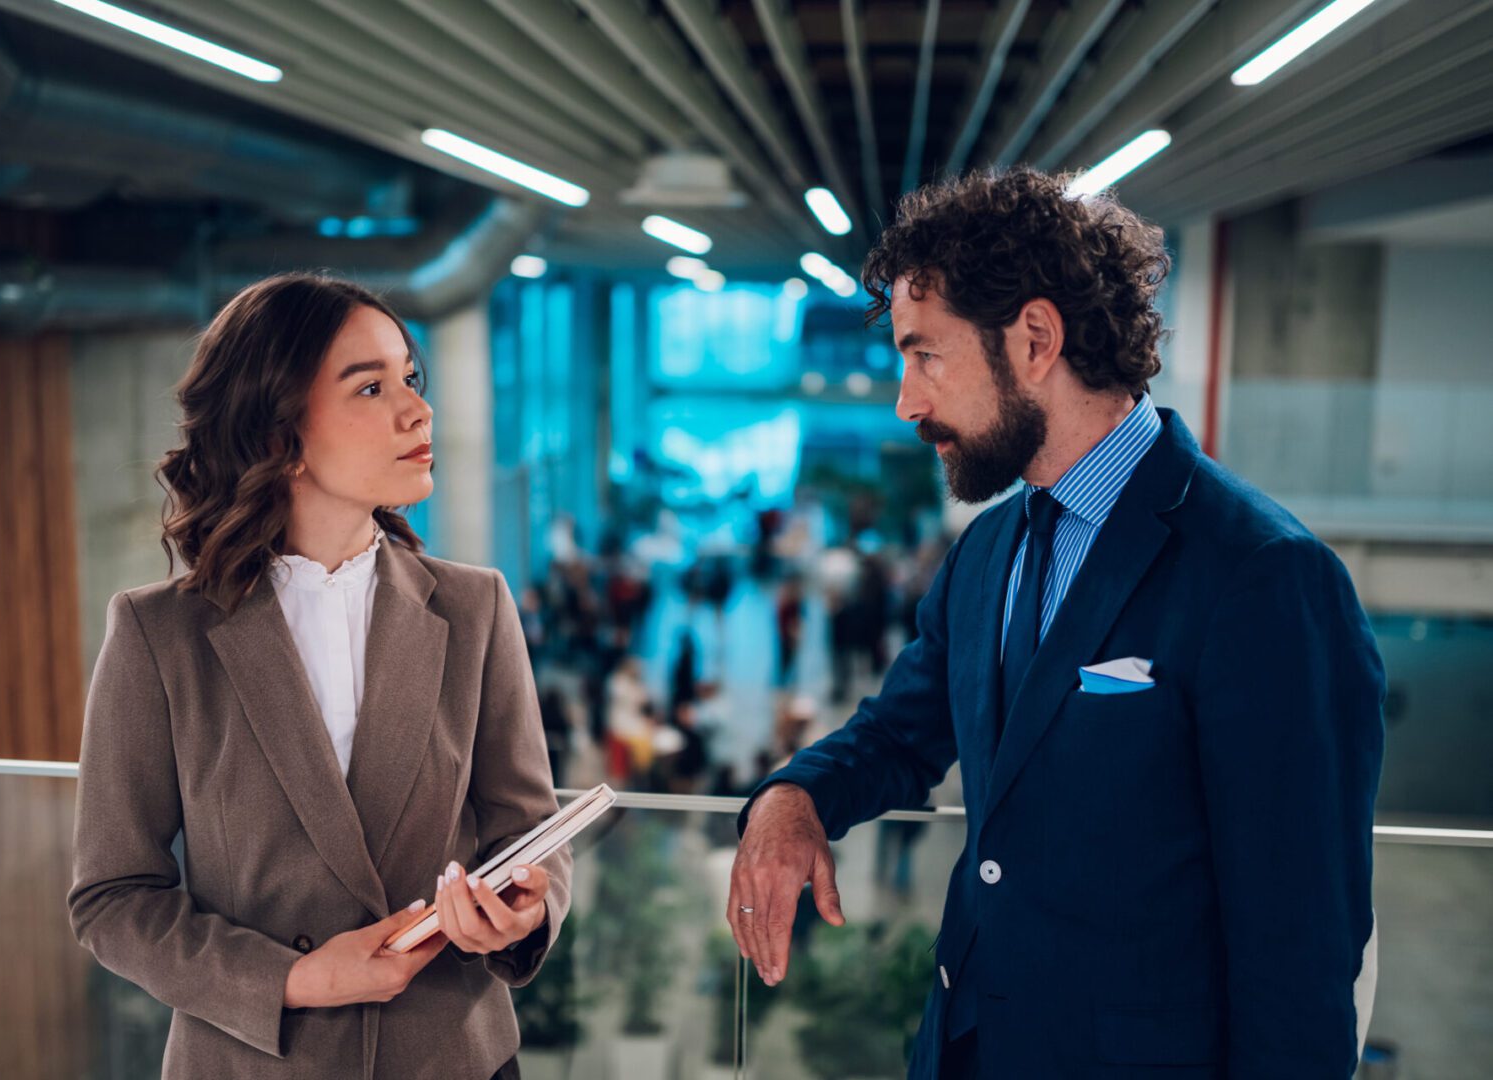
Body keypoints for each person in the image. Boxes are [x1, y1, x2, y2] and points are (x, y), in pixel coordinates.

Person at [728, 170, 1384, 1079]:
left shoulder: (1264, 575)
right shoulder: (988, 549)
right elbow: (901, 734)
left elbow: (1300, 951)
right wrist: (793, 801)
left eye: (927, 357)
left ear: (1035, 338)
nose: (906, 403)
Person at [69, 273, 571, 1079]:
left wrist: (523, 909)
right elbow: (113, 898)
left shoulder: (476, 608)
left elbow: (526, 829)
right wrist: (295, 978)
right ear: (277, 433)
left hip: (454, 1059)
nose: (417, 409)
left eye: (410, 378)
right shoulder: (159, 635)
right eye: (371, 387)